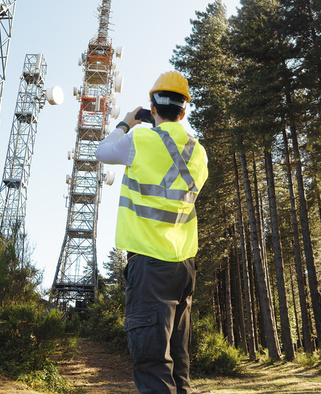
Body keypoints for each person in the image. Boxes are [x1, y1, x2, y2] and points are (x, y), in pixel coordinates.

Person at [95, 70, 208, 393]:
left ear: (153, 108)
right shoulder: (199, 152)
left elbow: (103, 152)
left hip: (149, 266)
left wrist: (127, 123)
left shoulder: (139, 139)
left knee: (153, 363)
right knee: (178, 364)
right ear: (183, 111)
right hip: (184, 267)